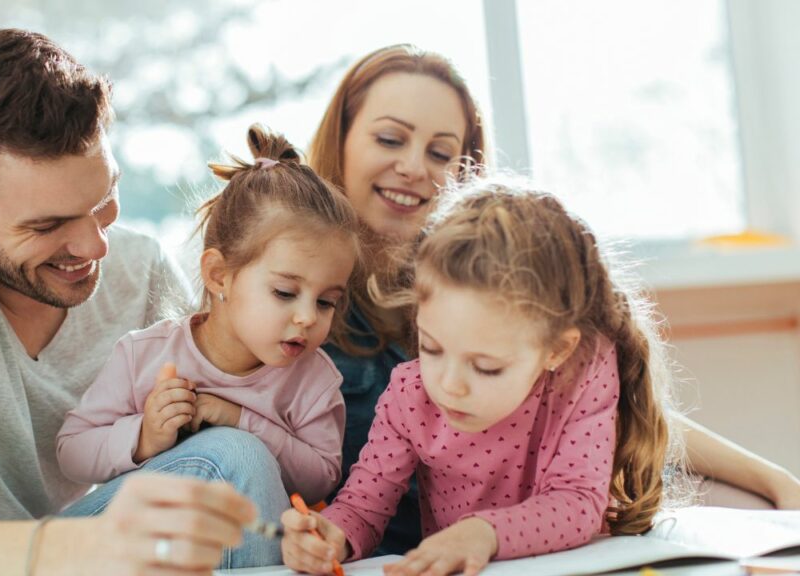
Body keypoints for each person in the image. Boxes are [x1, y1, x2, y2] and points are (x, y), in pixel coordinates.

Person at [309, 45, 800, 555]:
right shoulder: (303, 302)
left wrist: (775, 479)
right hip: (412, 548)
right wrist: (331, 535)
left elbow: (626, 416)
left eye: (439, 152)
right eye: (390, 138)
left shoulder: (525, 298)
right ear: (340, 139)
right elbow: (360, 503)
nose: (412, 167)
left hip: (546, 536)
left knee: (756, 514)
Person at [0, 29, 277, 575]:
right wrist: (84, 549)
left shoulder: (139, 270)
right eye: (46, 225)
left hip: (90, 551)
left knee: (235, 456)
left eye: (104, 200)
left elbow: (225, 439)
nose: (95, 246)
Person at [281, 178, 681, 576]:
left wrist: (482, 533)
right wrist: (330, 535)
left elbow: (577, 501)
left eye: (486, 366)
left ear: (556, 351)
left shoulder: (581, 373)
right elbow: (362, 508)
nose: (449, 384)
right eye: (431, 348)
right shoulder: (410, 392)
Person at [55, 125, 361, 558]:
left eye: (327, 302)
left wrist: (240, 419)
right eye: (285, 293)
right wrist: (144, 437)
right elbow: (71, 453)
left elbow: (321, 480)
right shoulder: (146, 353)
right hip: (133, 545)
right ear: (220, 276)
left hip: (226, 551)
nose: (308, 317)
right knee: (231, 456)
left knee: (240, 454)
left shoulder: (314, 379)